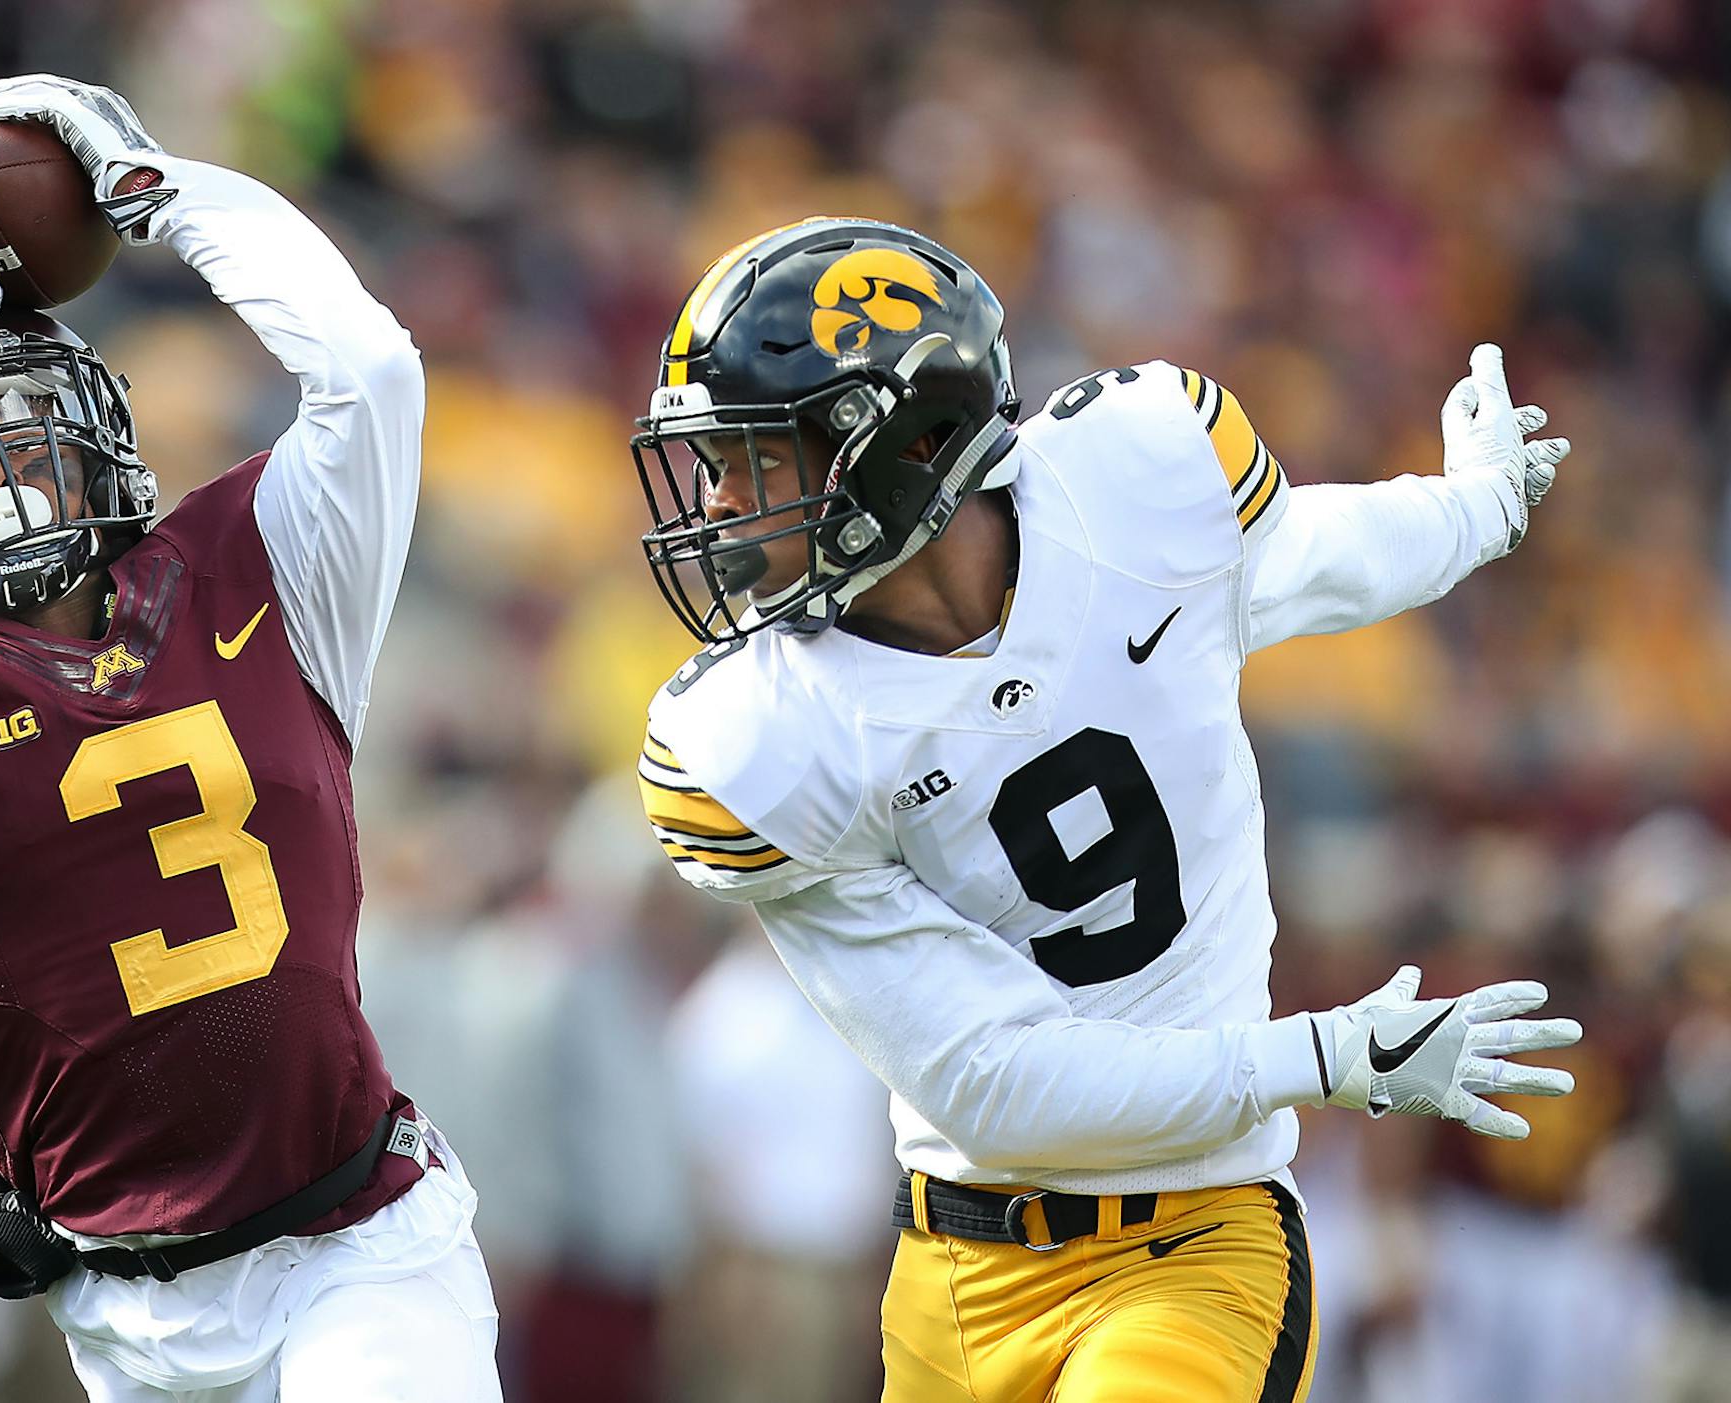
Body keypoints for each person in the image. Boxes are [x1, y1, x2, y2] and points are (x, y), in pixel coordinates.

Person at [628, 217, 1581, 1402]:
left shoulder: (1132, 480)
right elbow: (992, 1084)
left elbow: (1316, 554)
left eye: (750, 454)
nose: (715, 500)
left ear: (899, 442)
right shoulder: (761, 737)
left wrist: (1482, 503)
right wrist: (1323, 1055)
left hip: (1188, 1241)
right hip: (951, 1277)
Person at [0, 75, 499, 1402]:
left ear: (102, 435)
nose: (0, 476)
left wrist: (162, 189)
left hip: (362, 1243)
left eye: (22, 437)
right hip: (123, 1304)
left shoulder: (254, 572)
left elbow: (368, 365)